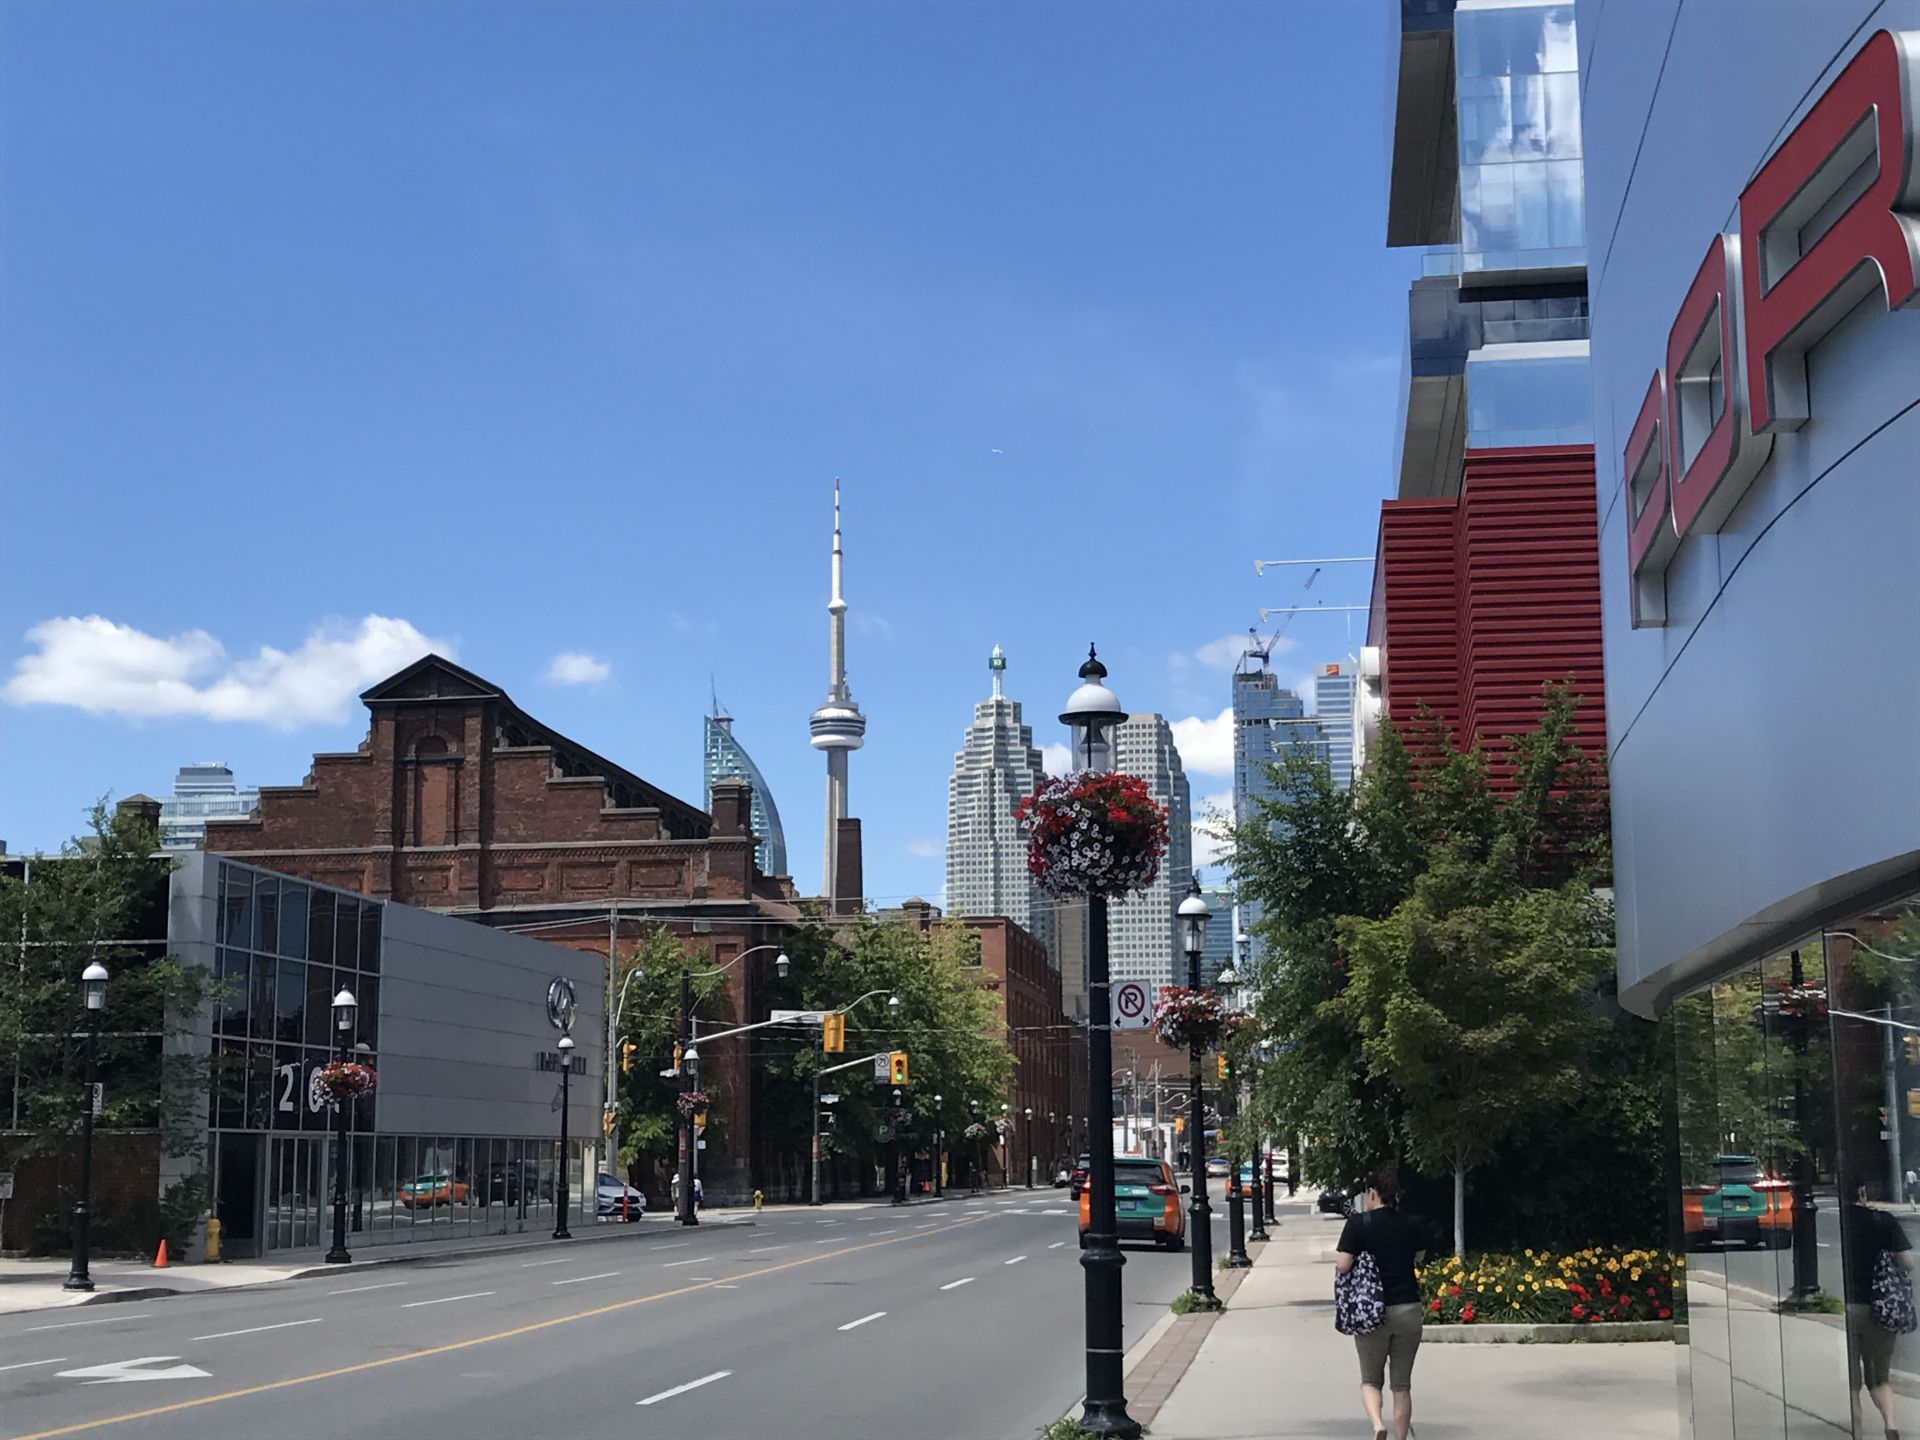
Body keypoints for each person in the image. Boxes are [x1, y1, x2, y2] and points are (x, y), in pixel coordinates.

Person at [1334, 1170, 1428, 1440]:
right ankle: (1400, 1438)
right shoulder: (1412, 1223)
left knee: (1370, 1380)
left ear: (1372, 1193)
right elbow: (1419, 1257)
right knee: (1402, 1385)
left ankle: (1378, 1425)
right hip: (1408, 1309)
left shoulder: (1358, 1224)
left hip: (1370, 1311)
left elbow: (1343, 1265)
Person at [1846, 1175, 1914, 1440]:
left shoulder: (1842, 1222)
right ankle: (1891, 1424)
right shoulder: (1882, 1221)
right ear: (1862, 1191)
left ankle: (1858, 1432)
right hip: (1879, 1309)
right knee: (1879, 1378)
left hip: (1849, 1308)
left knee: (1852, 1383)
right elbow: (1907, 1262)